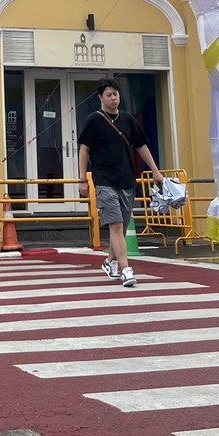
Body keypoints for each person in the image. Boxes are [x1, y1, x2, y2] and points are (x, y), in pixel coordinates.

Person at [77, 79, 164, 287]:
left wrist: (155, 171)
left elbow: (141, 145)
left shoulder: (127, 119)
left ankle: (109, 261)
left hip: (126, 179)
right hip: (104, 180)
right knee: (115, 225)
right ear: (100, 97)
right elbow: (84, 149)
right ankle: (126, 269)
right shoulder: (94, 120)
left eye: (116, 94)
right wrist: (82, 179)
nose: (113, 98)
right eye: (109, 95)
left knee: (122, 227)